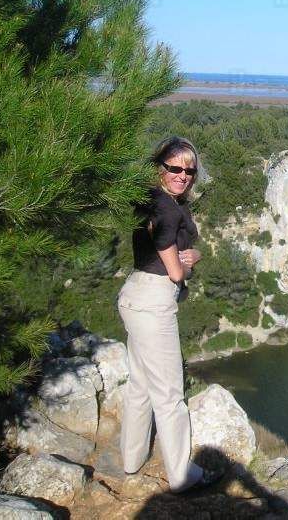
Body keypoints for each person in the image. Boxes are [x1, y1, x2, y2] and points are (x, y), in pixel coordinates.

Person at [116, 136, 221, 493]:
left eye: (189, 170)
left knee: (140, 385)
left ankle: (132, 460)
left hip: (133, 295)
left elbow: (164, 250)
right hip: (153, 302)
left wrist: (186, 256)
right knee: (170, 395)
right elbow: (175, 271)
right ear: (159, 168)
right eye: (174, 168)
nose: (183, 175)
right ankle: (181, 475)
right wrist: (189, 263)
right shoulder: (168, 209)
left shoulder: (149, 200)